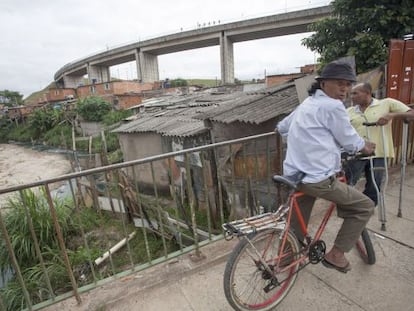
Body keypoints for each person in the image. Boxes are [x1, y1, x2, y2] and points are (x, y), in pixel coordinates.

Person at [277, 60, 376, 273]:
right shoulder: (333, 106)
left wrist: (307, 140)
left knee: (296, 224)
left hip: (295, 174)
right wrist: (364, 146)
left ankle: (284, 261)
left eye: (348, 85)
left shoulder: (308, 103)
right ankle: (336, 255)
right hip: (317, 178)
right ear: (323, 84)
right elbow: (350, 140)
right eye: (339, 83)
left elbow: (282, 128)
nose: (345, 89)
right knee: (364, 206)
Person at [345, 82, 414, 205]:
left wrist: (392, 115)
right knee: (349, 182)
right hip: (357, 153)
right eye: (351, 94)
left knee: (374, 183)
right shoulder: (349, 111)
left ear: (367, 93)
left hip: (379, 152)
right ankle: (352, 205)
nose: (352, 96)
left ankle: (368, 206)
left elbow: (411, 113)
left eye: (355, 93)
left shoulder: (386, 103)